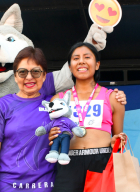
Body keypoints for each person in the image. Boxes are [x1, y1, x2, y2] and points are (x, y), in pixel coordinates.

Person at [0, 46, 127, 192]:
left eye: (36, 72)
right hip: (12, 183)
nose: (29, 77)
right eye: (22, 72)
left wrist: (117, 98)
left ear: (44, 75)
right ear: (15, 76)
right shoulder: (7, 104)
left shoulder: (59, 102)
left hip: (49, 182)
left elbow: (116, 140)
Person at [50, 42, 126, 192]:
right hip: (68, 162)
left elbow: (118, 139)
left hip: (102, 161)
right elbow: (52, 137)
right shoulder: (57, 100)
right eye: (76, 58)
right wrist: (51, 137)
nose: (81, 61)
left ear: (97, 64)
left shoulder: (113, 98)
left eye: (87, 57)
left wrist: (118, 140)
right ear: (70, 67)